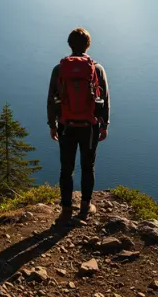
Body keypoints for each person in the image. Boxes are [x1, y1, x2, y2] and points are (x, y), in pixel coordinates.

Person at [47, 27, 110, 222]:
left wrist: (52, 124)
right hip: (89, 127)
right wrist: (105, 124)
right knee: (87, 166)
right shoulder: (96, 68)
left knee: (66, 168)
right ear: (87, 45)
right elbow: (105, 98)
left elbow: (52, 99)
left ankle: (66, 209)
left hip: (66, 125)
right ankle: (85, 206)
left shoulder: (59, 69)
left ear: (69, 44)